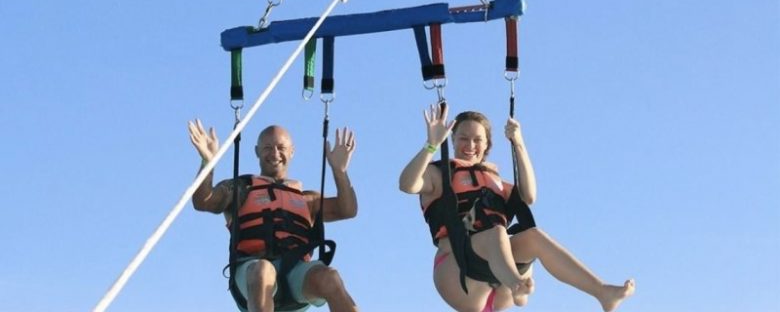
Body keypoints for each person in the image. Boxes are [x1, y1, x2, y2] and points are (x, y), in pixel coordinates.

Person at [399, 104, 635, 312]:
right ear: (452, 140)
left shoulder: (496, 183)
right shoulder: (438, 174)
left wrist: (519, 142)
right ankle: (517, 284)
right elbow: (407, 184)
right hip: (457, 274)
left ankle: (602, 292)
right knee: (497, 232)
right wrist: (431, 145)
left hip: (497, 285)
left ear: (487, 144)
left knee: (534, 236)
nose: (470, 145)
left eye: (477, 139)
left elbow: (529, 196)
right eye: (463, 138)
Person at [189, 118, 359, 312]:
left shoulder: (307, 200)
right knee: (263, 271)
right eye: (267, 147)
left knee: (330, 277)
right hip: (252, 274)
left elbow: (347, 210)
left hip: (295, 277)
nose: (275, 153)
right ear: (257, 152)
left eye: (281, 147)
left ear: (292, 151)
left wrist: (340, 170)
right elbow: (204, 202)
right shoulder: (241, 188)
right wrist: (207, 163)